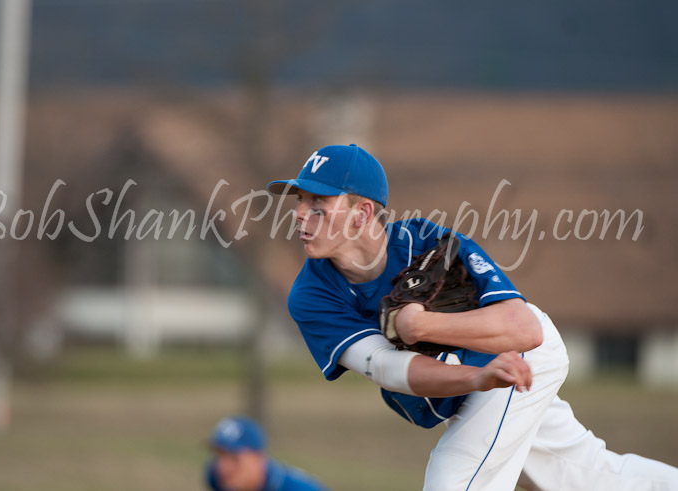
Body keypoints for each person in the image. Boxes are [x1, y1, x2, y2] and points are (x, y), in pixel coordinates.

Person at [266, 144, 678, 490]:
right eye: (300, 200)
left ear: (361, 214)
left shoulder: (429, 243)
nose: (300, 213)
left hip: (521, 359)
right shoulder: (311, 294)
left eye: (318, 201)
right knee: (589, 477)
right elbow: (385, 368)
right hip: (479, 384)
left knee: (453, 481)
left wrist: (423, 325)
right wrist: (476, 378)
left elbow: (526, 329)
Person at [205, 415, 329, 491]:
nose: (224, 467)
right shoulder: (215, 478)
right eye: (220, 455)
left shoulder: (296, 488)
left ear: (259, 458)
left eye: (234, 457)